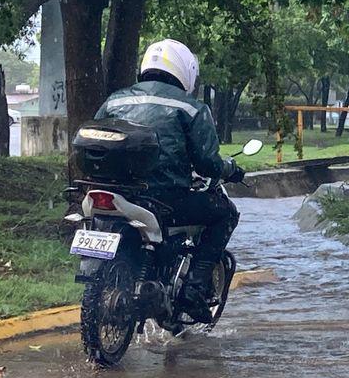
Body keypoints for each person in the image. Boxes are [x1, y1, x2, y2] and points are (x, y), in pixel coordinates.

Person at [93, 39, 245, 318]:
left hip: (117, 195)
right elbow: (207, 163)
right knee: (225, 213)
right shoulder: (190, 108)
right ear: (184, 70)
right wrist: (229, 168)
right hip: (164, 198)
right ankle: (194, 289)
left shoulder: (116, 100)